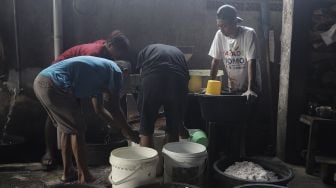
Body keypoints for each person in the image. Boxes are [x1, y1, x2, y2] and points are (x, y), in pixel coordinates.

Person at [33, 56, 139, 183]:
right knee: (78, 129)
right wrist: (129, 131)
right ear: (125, 71)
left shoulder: (99, 75)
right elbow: (115, 108)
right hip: (54, 84)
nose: (120, 85)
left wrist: (116, 126)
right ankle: (84, 175)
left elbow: (99, 109)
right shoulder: (116, 71)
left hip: (41, 82)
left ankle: (68, 172)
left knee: (66, 129)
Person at [41, 30, 131, 170]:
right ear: (111, 44)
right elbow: (111, 105)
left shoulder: (105, 50)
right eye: (118, 51)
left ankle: (69, 167)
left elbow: (99, 105)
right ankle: (52, 153)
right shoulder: (94, 53)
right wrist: (127, 130)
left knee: (72, 124)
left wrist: (116, 125)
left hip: (69, 78)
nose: (119, 56)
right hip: (59, 76)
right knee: (69, 122)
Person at [136, 44, 189, 147]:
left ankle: (148, 162)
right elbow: (186, 78)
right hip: (178, 80)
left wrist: (145, 111)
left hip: (152, 78)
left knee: (146, 127)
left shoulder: (145, 50)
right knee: (173, 128)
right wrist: (179, 122)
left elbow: (142, 74)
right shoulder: (178, 53)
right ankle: (170, 161)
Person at [209, 4, 261, 101]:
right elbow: (215, 61)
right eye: (219, 26)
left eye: (225, 26)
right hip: (233, 88)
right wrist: (211, 87)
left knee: (249, 114)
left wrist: (250, 89)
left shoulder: (249, 34)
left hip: (251, 87)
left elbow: (251, 61)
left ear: (235, 22)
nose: (221, 30)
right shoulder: (219, 35)